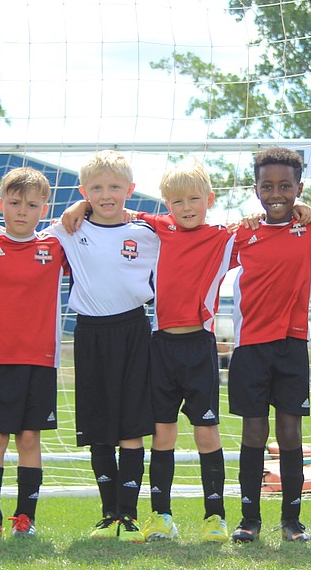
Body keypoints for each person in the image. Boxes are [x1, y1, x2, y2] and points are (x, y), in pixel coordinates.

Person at [0, 150, 159, 541]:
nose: (105, 194)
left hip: (130, 333)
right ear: (83, 192)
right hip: (83, 335)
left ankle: (128, 515)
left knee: (130, 426)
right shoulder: (62, 233)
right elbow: (9, 230)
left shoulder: (144, 232)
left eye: (113, 187)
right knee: (96, 426)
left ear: (130, 189)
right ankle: (107, 515)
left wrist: (83, 203)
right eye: (96, 188)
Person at [63, 158, 236, 542]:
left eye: (194, 199)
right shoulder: (156, 229)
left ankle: (215, 517)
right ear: (165, 205)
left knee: (207, 432)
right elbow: (117, 207)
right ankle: (161, 516)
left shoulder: (225, 236)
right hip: (159, 346)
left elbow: (263, 234)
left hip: (200, 346)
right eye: (176, 201)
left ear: (209, 199)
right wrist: (82, 206)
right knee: (162, 432)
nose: (186, 207)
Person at [227, 147, 311, 543]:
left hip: (292, 345)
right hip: (251, 347)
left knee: (290, 432)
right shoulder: (242, 233)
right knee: (253, 432)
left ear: (299, 188)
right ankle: (249, 518)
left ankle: (292, 520)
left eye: (285, 185)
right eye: (267, 186)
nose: (277, 193)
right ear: (256, 190)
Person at [0, 167, 65, 541]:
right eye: (13, 203)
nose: (21, 211)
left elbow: (91, 217)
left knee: (29, 439)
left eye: (31, 204)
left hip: (41, 360)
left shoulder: (57, 245)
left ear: (44, 208)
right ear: (0, 205)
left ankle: (25, 517)